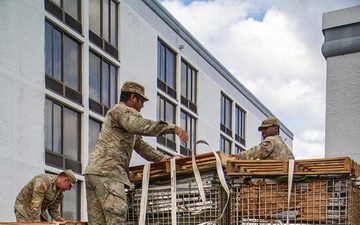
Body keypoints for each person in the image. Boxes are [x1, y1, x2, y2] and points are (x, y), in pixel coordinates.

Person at [84, 81, 188, 225]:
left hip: (94, 172)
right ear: (133, 98)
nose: (142, 106)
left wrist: (166, 159)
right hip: (108, 173)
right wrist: (173, 128)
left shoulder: (123, 121)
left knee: (98, 222)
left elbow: (142, 147)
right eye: (141, 101)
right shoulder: (121, 111)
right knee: (116, 219)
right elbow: (140, 125)